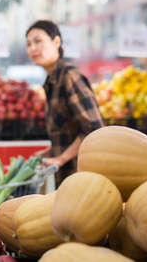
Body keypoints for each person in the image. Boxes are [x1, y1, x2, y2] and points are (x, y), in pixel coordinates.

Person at [25, 20, 104, 187]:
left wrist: (61, 158)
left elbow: (94, 129)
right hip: (68, 178)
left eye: (38, 41)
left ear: (56, 42)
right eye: (28, 44)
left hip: (82, 177)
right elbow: (68, 133)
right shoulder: (52, 81)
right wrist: (48, 153)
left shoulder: (70, 76)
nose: (32, 48)